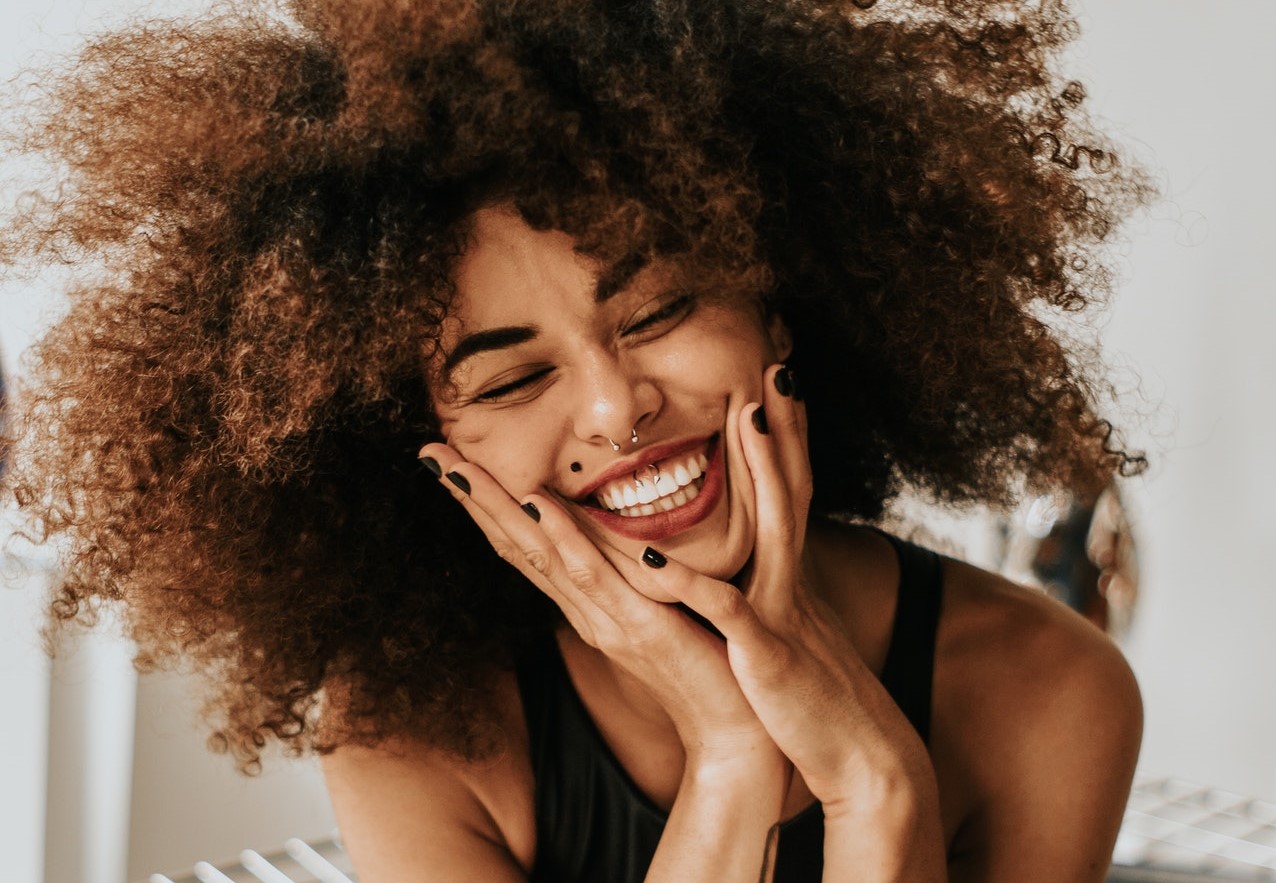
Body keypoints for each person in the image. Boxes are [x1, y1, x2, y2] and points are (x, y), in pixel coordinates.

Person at [1, 0, 1150, 880]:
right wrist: (734, 757)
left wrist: (873, 778)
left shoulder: (1050, 693)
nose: (613, 410)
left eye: (655, 313)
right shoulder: (415, 734)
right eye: (512, 376)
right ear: (430, 448)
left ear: (778, 313)